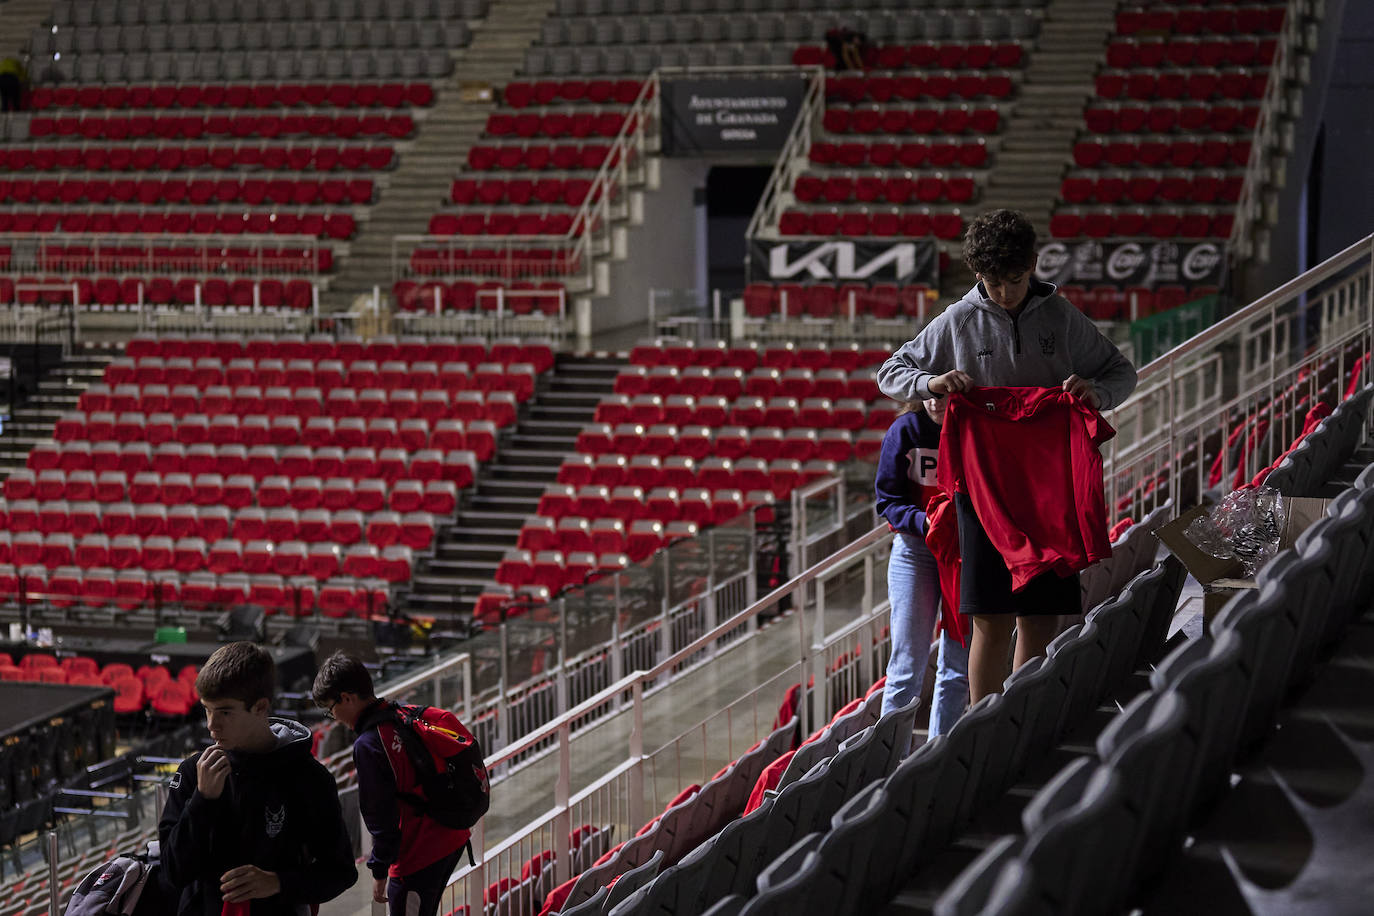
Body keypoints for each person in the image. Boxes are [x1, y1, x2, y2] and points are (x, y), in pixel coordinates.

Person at [876, 209, 1137, 703]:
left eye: (1015, 280)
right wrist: (930, 383)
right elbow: (891, 371)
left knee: (1040, 619)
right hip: (981, 492)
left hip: (1048, 490)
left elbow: (1122, 371)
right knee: (990, 621)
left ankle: (1024, 721)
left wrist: (1095, 393)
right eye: (994, 283)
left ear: (1034, 265)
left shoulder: (1061, 318)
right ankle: (982, 731)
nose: (1005, 292)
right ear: (978, 275)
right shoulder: (956, 320)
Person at [159, 642, 357, 916]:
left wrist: (277, 883)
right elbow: (171, 875)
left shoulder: (309, 778)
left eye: (225, 712)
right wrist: (202, 802)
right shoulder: (195, 772)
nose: (211, 725)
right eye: (207, 709)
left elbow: (341, 871)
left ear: (260, 707)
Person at [312, 652, 473, 916]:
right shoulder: (404, 714)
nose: (335, 717)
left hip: (419, 854)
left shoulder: (368, 745)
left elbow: (381, 816)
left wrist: (379, 869)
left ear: (346, 698)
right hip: (452, 836)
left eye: (331, 710)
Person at [874, 395, 970, 736]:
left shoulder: (972, 429)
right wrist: (924, 522)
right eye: (928, 391)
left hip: (965, 552)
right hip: (915, 551)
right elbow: (887, 500)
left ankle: (938, 757)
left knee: (957, 667)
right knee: (904, 668)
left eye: (943, 392)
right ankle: (885, 768)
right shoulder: (905, 431)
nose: (934, 400)